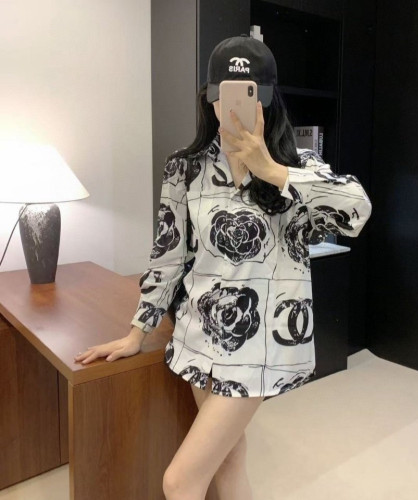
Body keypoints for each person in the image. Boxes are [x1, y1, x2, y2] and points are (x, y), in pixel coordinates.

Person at [74, 34, 372, 500]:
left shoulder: (298, 166)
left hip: (264, 345)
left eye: (248, 95)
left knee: (180, 481)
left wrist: (271, 170)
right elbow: (168, 254)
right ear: (210, 98)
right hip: (198, 337)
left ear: (266, 100)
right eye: (223, 96)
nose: (231, 108)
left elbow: (357, 211)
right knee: (229, 462)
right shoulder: (184, 169)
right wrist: (137, 332)